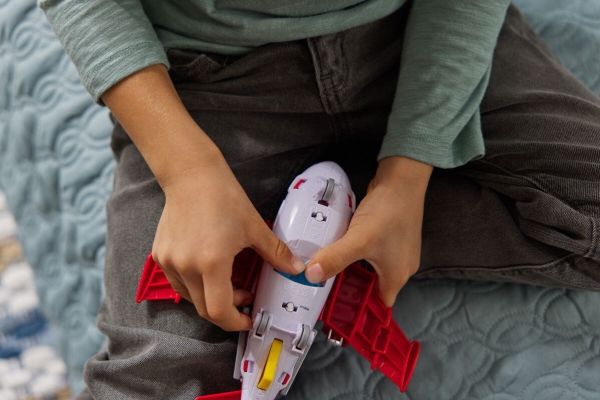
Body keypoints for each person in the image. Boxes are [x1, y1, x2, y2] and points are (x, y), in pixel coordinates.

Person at [40, 0, 600, 398]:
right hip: (209, 80)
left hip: (417, 32)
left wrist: (408, 174)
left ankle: (340, 244)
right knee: (151, 380)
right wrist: (189, 172)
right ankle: (319, 240)